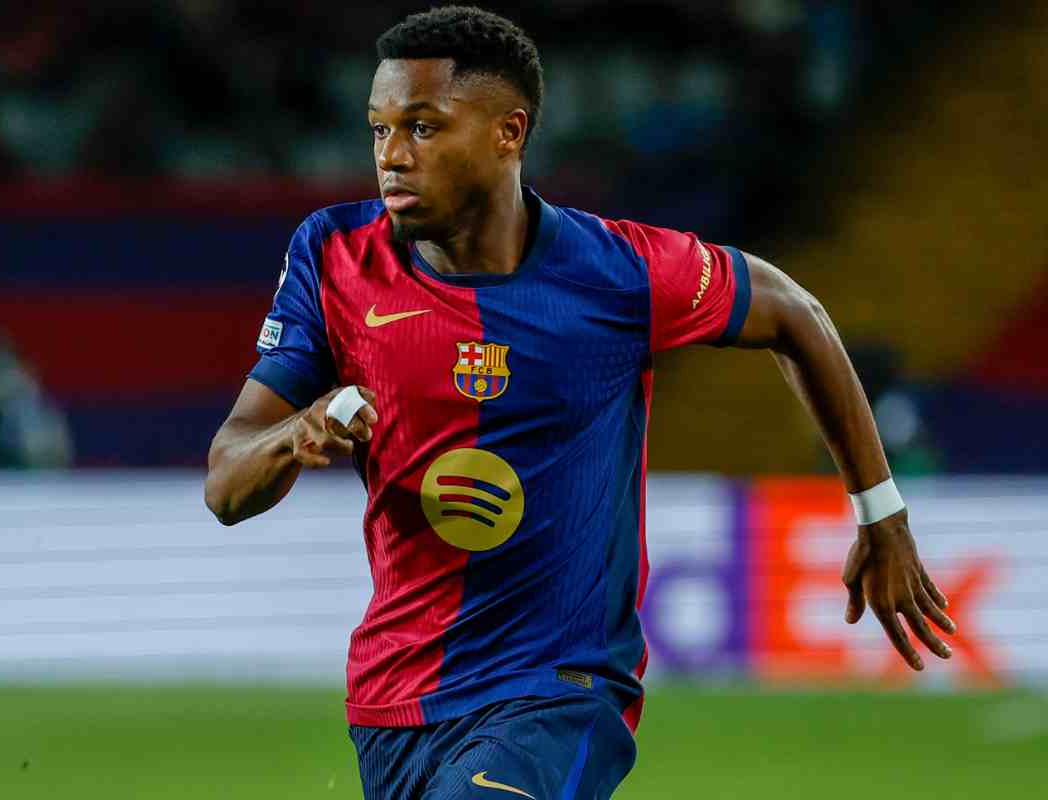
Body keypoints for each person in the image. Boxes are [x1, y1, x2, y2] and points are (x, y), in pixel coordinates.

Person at [204, 7, 956, 799]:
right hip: (395, 703)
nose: (391, 155)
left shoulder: (618, 273)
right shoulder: (334, 256)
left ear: (509, 132)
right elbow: (225, 483)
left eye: (422, 127)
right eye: (379, 129)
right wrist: (295, 433)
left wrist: (880, 513)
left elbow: (794, 313)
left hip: (559, 692)